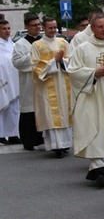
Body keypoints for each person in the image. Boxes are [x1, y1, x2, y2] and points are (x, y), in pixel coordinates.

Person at [68, 14, 104, 186]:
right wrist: (94, 73)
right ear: (92, 28)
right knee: (97, 128)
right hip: (93, 97)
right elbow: (73, 72)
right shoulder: (82, 49)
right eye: (100, 27)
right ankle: (99, 168)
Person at [30, 17, 73, 158]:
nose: (53, 30)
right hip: (47, 86)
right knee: (51, 114)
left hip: (63, 83)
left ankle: (65, 144)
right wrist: (54, 61)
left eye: (55, 27)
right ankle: (56, 146)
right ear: (43, 28)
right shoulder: (37, 45)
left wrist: (62, 62)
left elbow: (72, 61)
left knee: (65, 113)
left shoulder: (63, 42)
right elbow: (36, 66)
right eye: (50, 28)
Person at [12, 14, 44, 150]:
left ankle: (43, 139)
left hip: (44, 81)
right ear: (26, 27)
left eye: (38, 24)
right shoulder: (20, 44)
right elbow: (17, 63)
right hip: (29, 83)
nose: (37, 27)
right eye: (34, 25)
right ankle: (29, 141)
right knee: (29, 112)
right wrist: (33, 54)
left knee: (44, 111)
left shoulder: (44, 42)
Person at [0, 20, 21, 145]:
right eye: (3, 28)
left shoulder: (12, 44)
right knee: (2, 108)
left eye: (8, 28)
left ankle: (13, 134)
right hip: (2, 81)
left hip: (13, 80)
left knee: (14, 109)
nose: (7, 31)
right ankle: (1, 135)